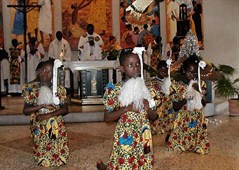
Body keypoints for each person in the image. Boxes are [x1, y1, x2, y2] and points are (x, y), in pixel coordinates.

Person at [96, 47, 158, 170]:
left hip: (143, 133)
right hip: (126, 134)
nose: (135, 67)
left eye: (137, 64)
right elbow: (107, 117)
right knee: (124, 161)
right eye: (130, 65)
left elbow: (155, 117)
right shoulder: (115, 90)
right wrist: (127, 109)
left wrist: (148, 108)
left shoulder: (148, 89)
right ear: (122, 69)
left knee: (143, 162)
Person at [22, 60, 69, 167]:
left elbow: (65, 109)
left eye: (49, 71)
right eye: (43, 70)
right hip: (39, 121)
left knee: (56, 139)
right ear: (38, 72)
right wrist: (41, 106)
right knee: (42, 142)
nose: (46, 73)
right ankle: (43, 157)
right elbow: (25, 111)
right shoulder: (31, 88)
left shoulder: (59, 89)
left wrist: (48, 115)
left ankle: (58, 157)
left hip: (55, 119)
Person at [168, 55, 210, 154]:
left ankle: (197, 145)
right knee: (179, 144)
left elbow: (203, 104)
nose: (193, 74)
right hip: (183, 120)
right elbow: (175, 107)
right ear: (183, 70)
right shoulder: (176, 86)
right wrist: (184, 99)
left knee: (199, 137)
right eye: (190, 72)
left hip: (197, 117)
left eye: (195, 72)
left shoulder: (200, 85)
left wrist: (200, 93)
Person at [147, 60, 177, 142]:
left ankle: (169, 135)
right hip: (158, 106)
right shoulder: (152, 82)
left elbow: (174, 92)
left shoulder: (170, 81)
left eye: (166, 71)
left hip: (168, 106)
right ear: (157, 70)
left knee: (170, 122)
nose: (164, 73)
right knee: (156, 122)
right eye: (162, 71)